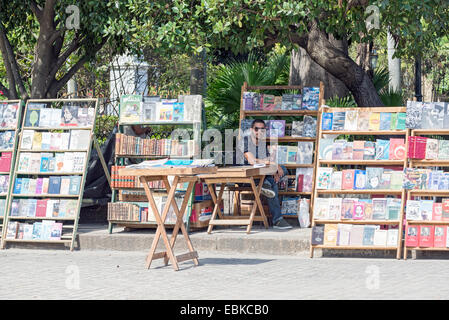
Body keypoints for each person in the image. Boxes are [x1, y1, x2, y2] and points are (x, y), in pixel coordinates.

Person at [239, 119, 292, 230]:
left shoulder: (262, 144)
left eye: (262, 129)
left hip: (262, 174)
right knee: (272, 182)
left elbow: (266, 162)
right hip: (247, 176)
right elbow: (252, 161)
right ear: (251, 130)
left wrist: (274, 169)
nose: (259, 131)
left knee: (283, 169)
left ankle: (266, 185)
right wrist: (273, 165)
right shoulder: (245, 141)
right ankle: (277, 220)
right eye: (256, 129)